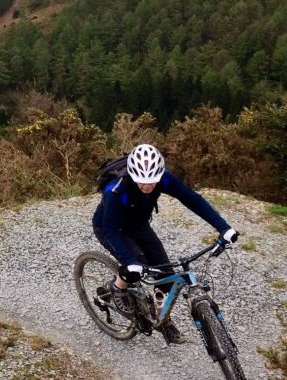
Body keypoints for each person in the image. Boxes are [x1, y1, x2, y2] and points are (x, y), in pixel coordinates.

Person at [91, 143, 238, 344]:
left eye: (152, 181)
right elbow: (110, 230)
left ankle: (162, 318)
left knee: (165, 275)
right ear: (132, 175)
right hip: (110, 229)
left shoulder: (164, 178)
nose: (148, 187)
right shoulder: (115, 190)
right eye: (142, 182)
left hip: (139, 225)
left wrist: (224, 228)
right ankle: (118, 287)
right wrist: (130, 261)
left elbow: (192, 199)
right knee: (136, 264)